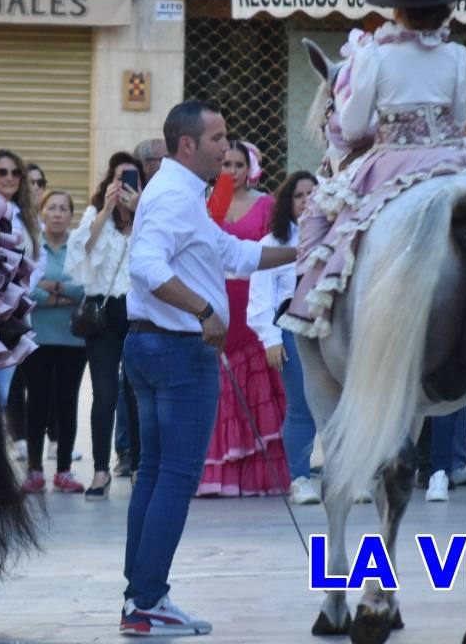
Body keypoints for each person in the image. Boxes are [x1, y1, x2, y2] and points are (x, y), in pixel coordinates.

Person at [119, 100, 295, 636]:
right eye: (218, 138)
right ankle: (147, 600)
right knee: (174, 475)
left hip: (153, 348)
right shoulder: (174, 195)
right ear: (187, 144)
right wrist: (203, 311)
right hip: (176, 351)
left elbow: (232, 254)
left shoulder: (181, 193)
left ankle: (141, 597)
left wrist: (307, 250)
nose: (227, 146)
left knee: (153, 473)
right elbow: (145, 265)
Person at [284, 0, 466, 338]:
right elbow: (456, 118)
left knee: (322, 218)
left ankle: (312, 320)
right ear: (444, 8)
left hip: (390, 160)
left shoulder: (375, 55)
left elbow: (353, 127)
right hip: (452, 156)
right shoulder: (457, 55)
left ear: (397, 10)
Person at [197, 141, 291, 497]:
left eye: (238, 165)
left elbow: (272, 250)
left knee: (258, 386)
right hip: (219, 300)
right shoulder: (211, 205)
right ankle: (220, 474)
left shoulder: (267, 204)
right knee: (220, 387)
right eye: (226, 165)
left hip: (254, 301)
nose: (232, 172)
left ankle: (258, 473)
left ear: (250, 167)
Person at [66, 152, 143, 499]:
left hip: (140, 312)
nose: (125, 186)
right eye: (118, 178)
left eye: (131, 179)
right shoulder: (94, 215)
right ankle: (100, 470)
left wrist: (140, 209)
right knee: (104, 393)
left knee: (138, 392)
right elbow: (80, 252)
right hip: (103, 313)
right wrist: (106, 211)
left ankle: (140, 465)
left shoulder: (149, 214)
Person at [247, 171, 319, 504]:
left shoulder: (338, 235)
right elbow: (261, 298)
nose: (306, 201)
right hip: (291, 329)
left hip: (331, 329)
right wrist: (270, 339)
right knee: (301, 405)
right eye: (299, 195)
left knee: (340, 404)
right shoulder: (272, 244)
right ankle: (300, 478)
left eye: (312, 194)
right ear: (288, 202)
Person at [19, 190, 87, 494]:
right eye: (52, 208)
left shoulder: (79, 247)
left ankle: (64, 470)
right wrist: (62, 295)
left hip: (73, 339)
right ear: (42, 212)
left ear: (71, 216)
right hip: (39, 338)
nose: (58, 214)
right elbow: (26, 290)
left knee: (67, 404)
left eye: (64, 208)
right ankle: (34, 469)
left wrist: (51, 288)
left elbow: (85, 288)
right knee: (37, 402)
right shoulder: (32, 246)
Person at [0, 148, 40, 434]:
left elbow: (37, 266)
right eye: (3, 171)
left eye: (16, 172)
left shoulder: (27, 218)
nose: (10, 177)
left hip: (14, 318)